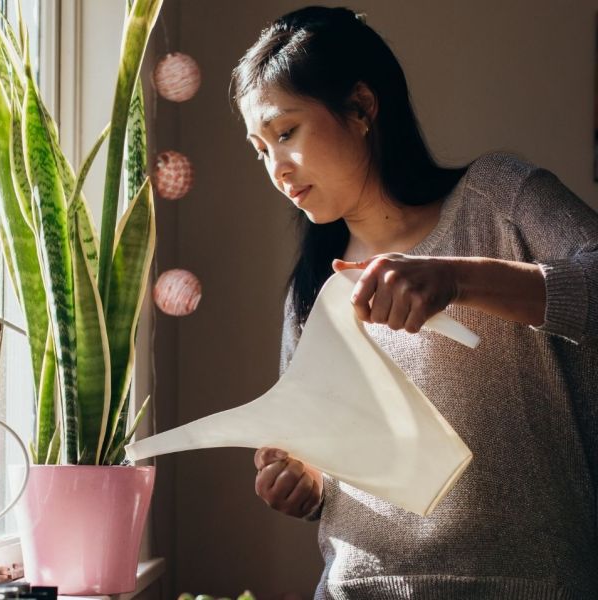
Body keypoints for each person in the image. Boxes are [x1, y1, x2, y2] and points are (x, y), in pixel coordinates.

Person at [230, 6, 598, 599]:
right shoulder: (311, 289)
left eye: (286, 132)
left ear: (361, 107)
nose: (276, 168)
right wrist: (304, 481)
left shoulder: (498, 198)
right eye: (260, 149)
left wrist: (457, 279)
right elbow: (321, 459)